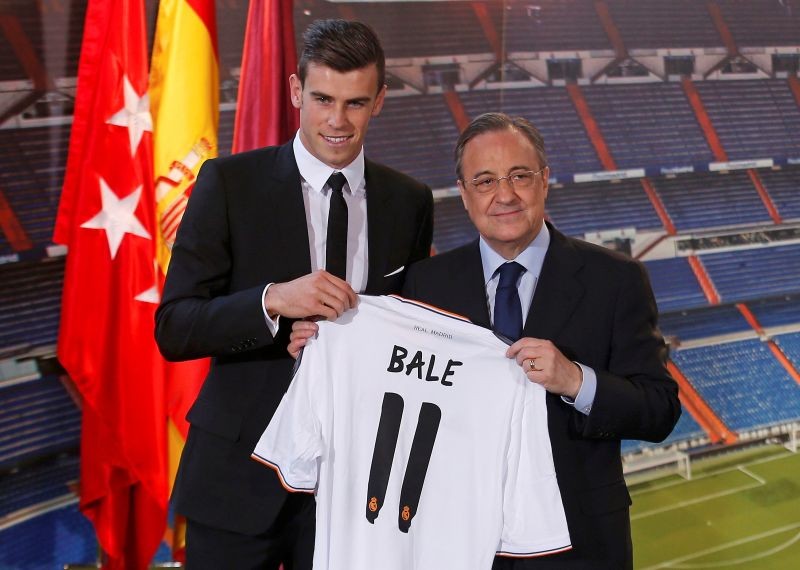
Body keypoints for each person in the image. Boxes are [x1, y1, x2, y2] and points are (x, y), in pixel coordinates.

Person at [290, 112, 680, 569]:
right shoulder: (425, 283)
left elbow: (659, 410)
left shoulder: (615, 279)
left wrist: (576, 381)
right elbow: (381, 395)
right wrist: (322, 346)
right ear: (464, 193)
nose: (505, 195)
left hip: (578, 539)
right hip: (449, 537)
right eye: (485, 181)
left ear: (545, 180)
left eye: (520, 176)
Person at [155, 19, 433, 569]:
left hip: (352, 488)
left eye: (355, 103)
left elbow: (411, 325)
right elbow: (175, 327)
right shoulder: (228, 184)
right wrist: (273, 302)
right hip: (237, 480)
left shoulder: (410, 201)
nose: (337, 120)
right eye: (323, 98)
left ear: (379, 101)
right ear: (294, 91)